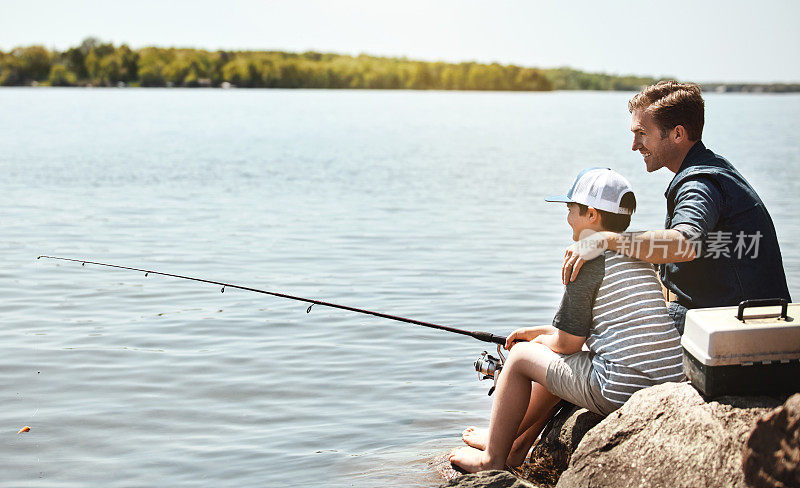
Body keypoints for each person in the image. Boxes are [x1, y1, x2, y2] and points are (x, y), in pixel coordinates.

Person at [450, 168, 684, 473]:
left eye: (570, 209)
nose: (568, 217)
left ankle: (492, 460)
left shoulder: (584, 259)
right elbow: (594, 331)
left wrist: (536, 342)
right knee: (552, 361)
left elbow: (567, 343)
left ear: (590, 214)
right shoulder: (637, 251)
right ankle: (514, 446)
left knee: (522, 358)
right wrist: (538, 333)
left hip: (623, 387)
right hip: (668, 378)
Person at [561, 81, 791, 333]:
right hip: (739, 319)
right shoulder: (712, 167)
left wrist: (603, 239)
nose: (635, 145)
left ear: (677, 134)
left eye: (642, 133)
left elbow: (683, 244)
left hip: (736, 328)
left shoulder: (699, 183)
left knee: (603, 332)